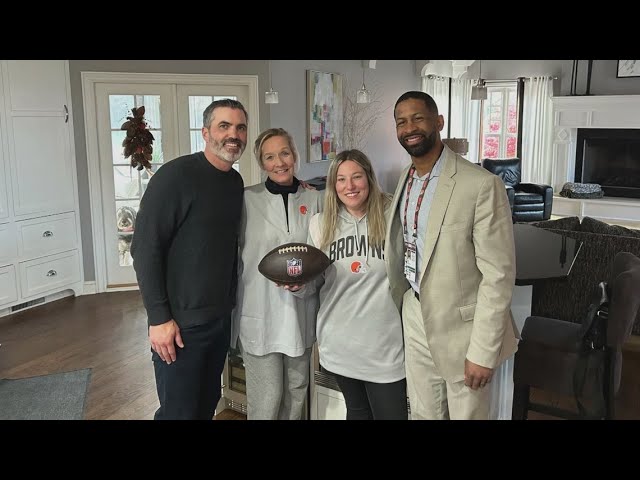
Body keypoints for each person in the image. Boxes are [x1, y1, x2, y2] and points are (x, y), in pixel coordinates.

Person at [385, 91, 518, 420]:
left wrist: (483, 352)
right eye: (401, 122)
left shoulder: (481, 185)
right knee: (422, 412)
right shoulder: (405, 178)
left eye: (418, 117)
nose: (409, 127)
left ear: (438, 122)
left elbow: (498, 275)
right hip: (415, 311)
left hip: (463, 329)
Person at [131, 98, 247, 420]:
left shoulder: (234, 183)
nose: (232, 134)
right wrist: (158, 318)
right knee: (177, 413)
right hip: (179, 327)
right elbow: (144, 247)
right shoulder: (176, 177)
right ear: (206, 132)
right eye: (224, 126)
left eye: (240, 127)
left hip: (219, 320)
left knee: (205, 405)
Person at [288, 149, 407, 420]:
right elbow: (313, 283)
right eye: (341, 179)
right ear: (333, 185)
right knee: (357, 411)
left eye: (356, 177)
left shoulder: (393, 217)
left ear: (369, 178)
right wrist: (298, 286)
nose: (349, 186)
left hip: (385, 345)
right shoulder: (320, 224)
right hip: (339, 343)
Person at [231, 127, 324, 420]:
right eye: (269, 157)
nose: (279, 162)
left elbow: (322, 257)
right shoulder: (245, 201)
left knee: (296, 396)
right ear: (261, 163)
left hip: (301, 312)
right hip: (260, 315)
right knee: (267, 399)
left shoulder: (316, 200)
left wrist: (305, 285)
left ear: (295, 155)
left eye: (284, 153)